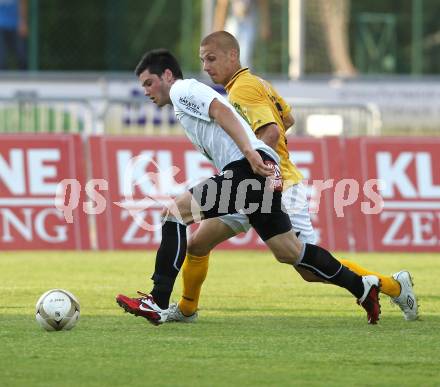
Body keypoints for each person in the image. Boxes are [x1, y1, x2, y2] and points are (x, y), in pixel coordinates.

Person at [165, 31, 418, 323]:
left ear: (232, 56)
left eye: (211, 58)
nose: (206, 66)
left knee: (305, 265)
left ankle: (394, 286)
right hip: (250, 184)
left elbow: (271, 131)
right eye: (202, 60)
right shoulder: (258, 83)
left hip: (271, 183)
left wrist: (263, 168)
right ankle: (186, 309)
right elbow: (287, 118)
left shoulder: (241, 90)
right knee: (198, 244)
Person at [116, 48, 382, 325]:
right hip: (256, 166)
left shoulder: (182, 90)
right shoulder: (183, 100)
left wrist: (251, 153)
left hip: (247, 166)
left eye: (149, 83)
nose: (146, 91)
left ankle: (158, 302)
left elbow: (220, 110)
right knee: (290, 251)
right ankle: (363, 287)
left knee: (175, 212)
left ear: (168, 75)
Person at [213, 0, 269, 68]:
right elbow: (222, 6)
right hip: (232, 22)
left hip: (248, 21)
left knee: (245, 57)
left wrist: (264, 24)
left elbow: (262, 4)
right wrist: (217, 29)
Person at [0, 0, 28, 70]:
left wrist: (23, 22)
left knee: (22, 56)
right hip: (1, 25)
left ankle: (24, 78)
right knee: (1, 58)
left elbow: (23, 3)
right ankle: (3, 79)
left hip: (16, 26)